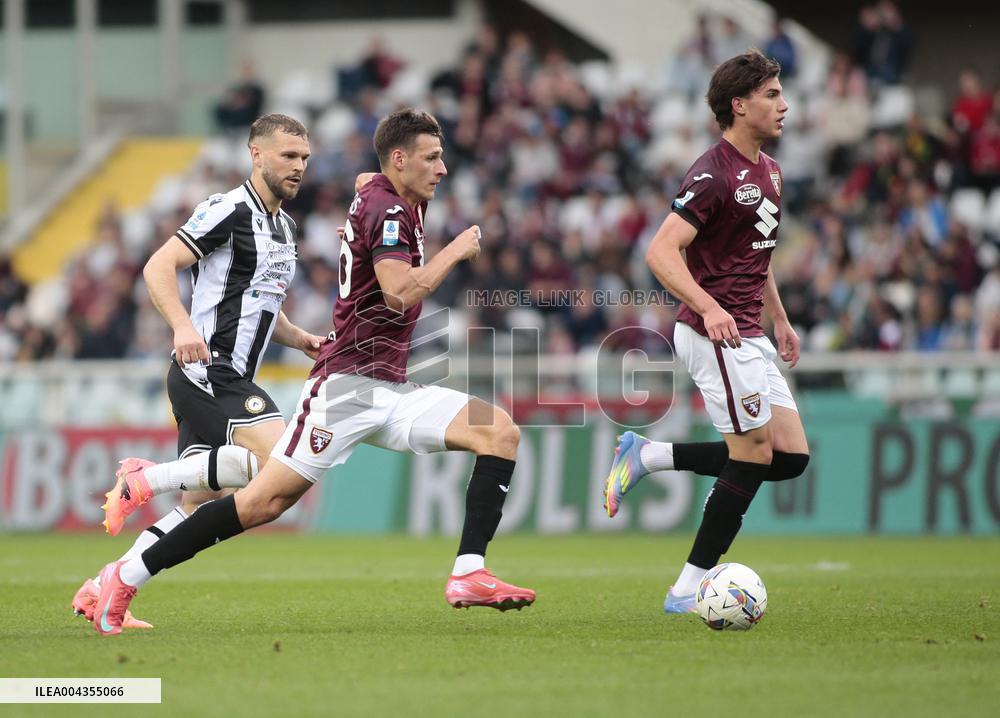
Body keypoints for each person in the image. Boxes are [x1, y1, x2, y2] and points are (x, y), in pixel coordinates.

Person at [90, 108, 535, 635]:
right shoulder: (378, 211)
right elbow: (398, 292)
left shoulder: (327, 213)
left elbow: (267, 291)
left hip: (390, 384)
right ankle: (127, 566)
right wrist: (455, 251)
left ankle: (468, 571)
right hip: (330, 388)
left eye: (304, 157)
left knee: (499, 430)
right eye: (432, 158)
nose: (443, 169)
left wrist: (299, 336)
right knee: (263, 500)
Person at [71, 114, 324, 628]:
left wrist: (299, 338)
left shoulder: (285, 226)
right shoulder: (228, 210)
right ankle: (146, 476)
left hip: (230, 378)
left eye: (303, 159)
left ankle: (103, 588)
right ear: (256, 155)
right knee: (281, 466)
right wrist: (182, 326)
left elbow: (259, 303)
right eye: (287, 157)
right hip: (209, 372)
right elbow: (158, 266)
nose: (298, 168)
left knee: (197, 505)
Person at [603, 51, 810, 614]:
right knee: (752, 454)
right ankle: (687, 586)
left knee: (789, 457)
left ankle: (646, 458)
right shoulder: (712, 172)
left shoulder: (770, 171)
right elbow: (660, 250)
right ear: (739, 105)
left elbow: (755, 256)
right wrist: (709, 307)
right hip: (714, 334)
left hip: (751, 332)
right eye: (771, 94)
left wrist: (781, 317)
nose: (783, 104)